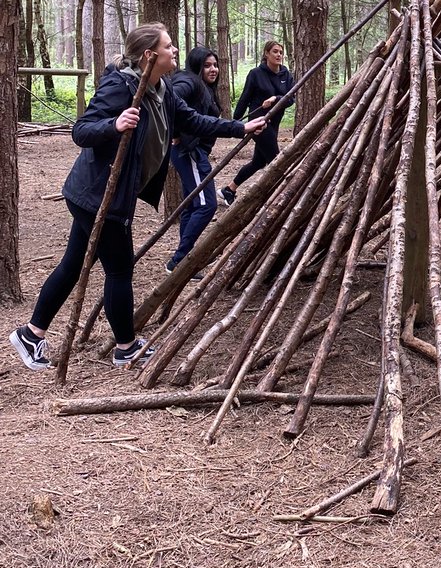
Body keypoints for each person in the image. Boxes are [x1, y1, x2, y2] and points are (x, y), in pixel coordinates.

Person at [8, 24, 266, 371]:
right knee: (119, 270)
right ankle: (125, 347)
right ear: (149, 55)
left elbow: (191, 120)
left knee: (73, 264)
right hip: (99, 195)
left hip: (102, 196)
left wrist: (240, 128)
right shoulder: (121, 85)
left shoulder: (160, 88)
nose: (175, 51)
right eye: (169, 46)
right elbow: (81, 130)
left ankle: (31, 333)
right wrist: (113, 125)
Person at [167, 46, 225, 276]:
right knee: (206, 204)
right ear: (197, 66)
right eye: (207, 65)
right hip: (188, 152)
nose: (213, 69)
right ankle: (178, 261)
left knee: (193, 205)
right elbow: (170, 98)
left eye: (215, 65)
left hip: (194, 151)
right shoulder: (189, 82)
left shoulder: (205, 89)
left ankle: (184, 259)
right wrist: (176, 133)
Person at [218, 40, 294, 206]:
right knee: (276, 160)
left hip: (274, 123)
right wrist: (235, 123)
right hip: (259, 123)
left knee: (259, 162)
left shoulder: (286, 74)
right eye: (275, 51)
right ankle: (281, 197)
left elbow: (290, 99)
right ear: (266, 53)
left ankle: (229, 190)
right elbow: (245, 98)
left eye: (281, 52)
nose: (279, 55)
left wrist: (275, 99)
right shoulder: (255, 73)